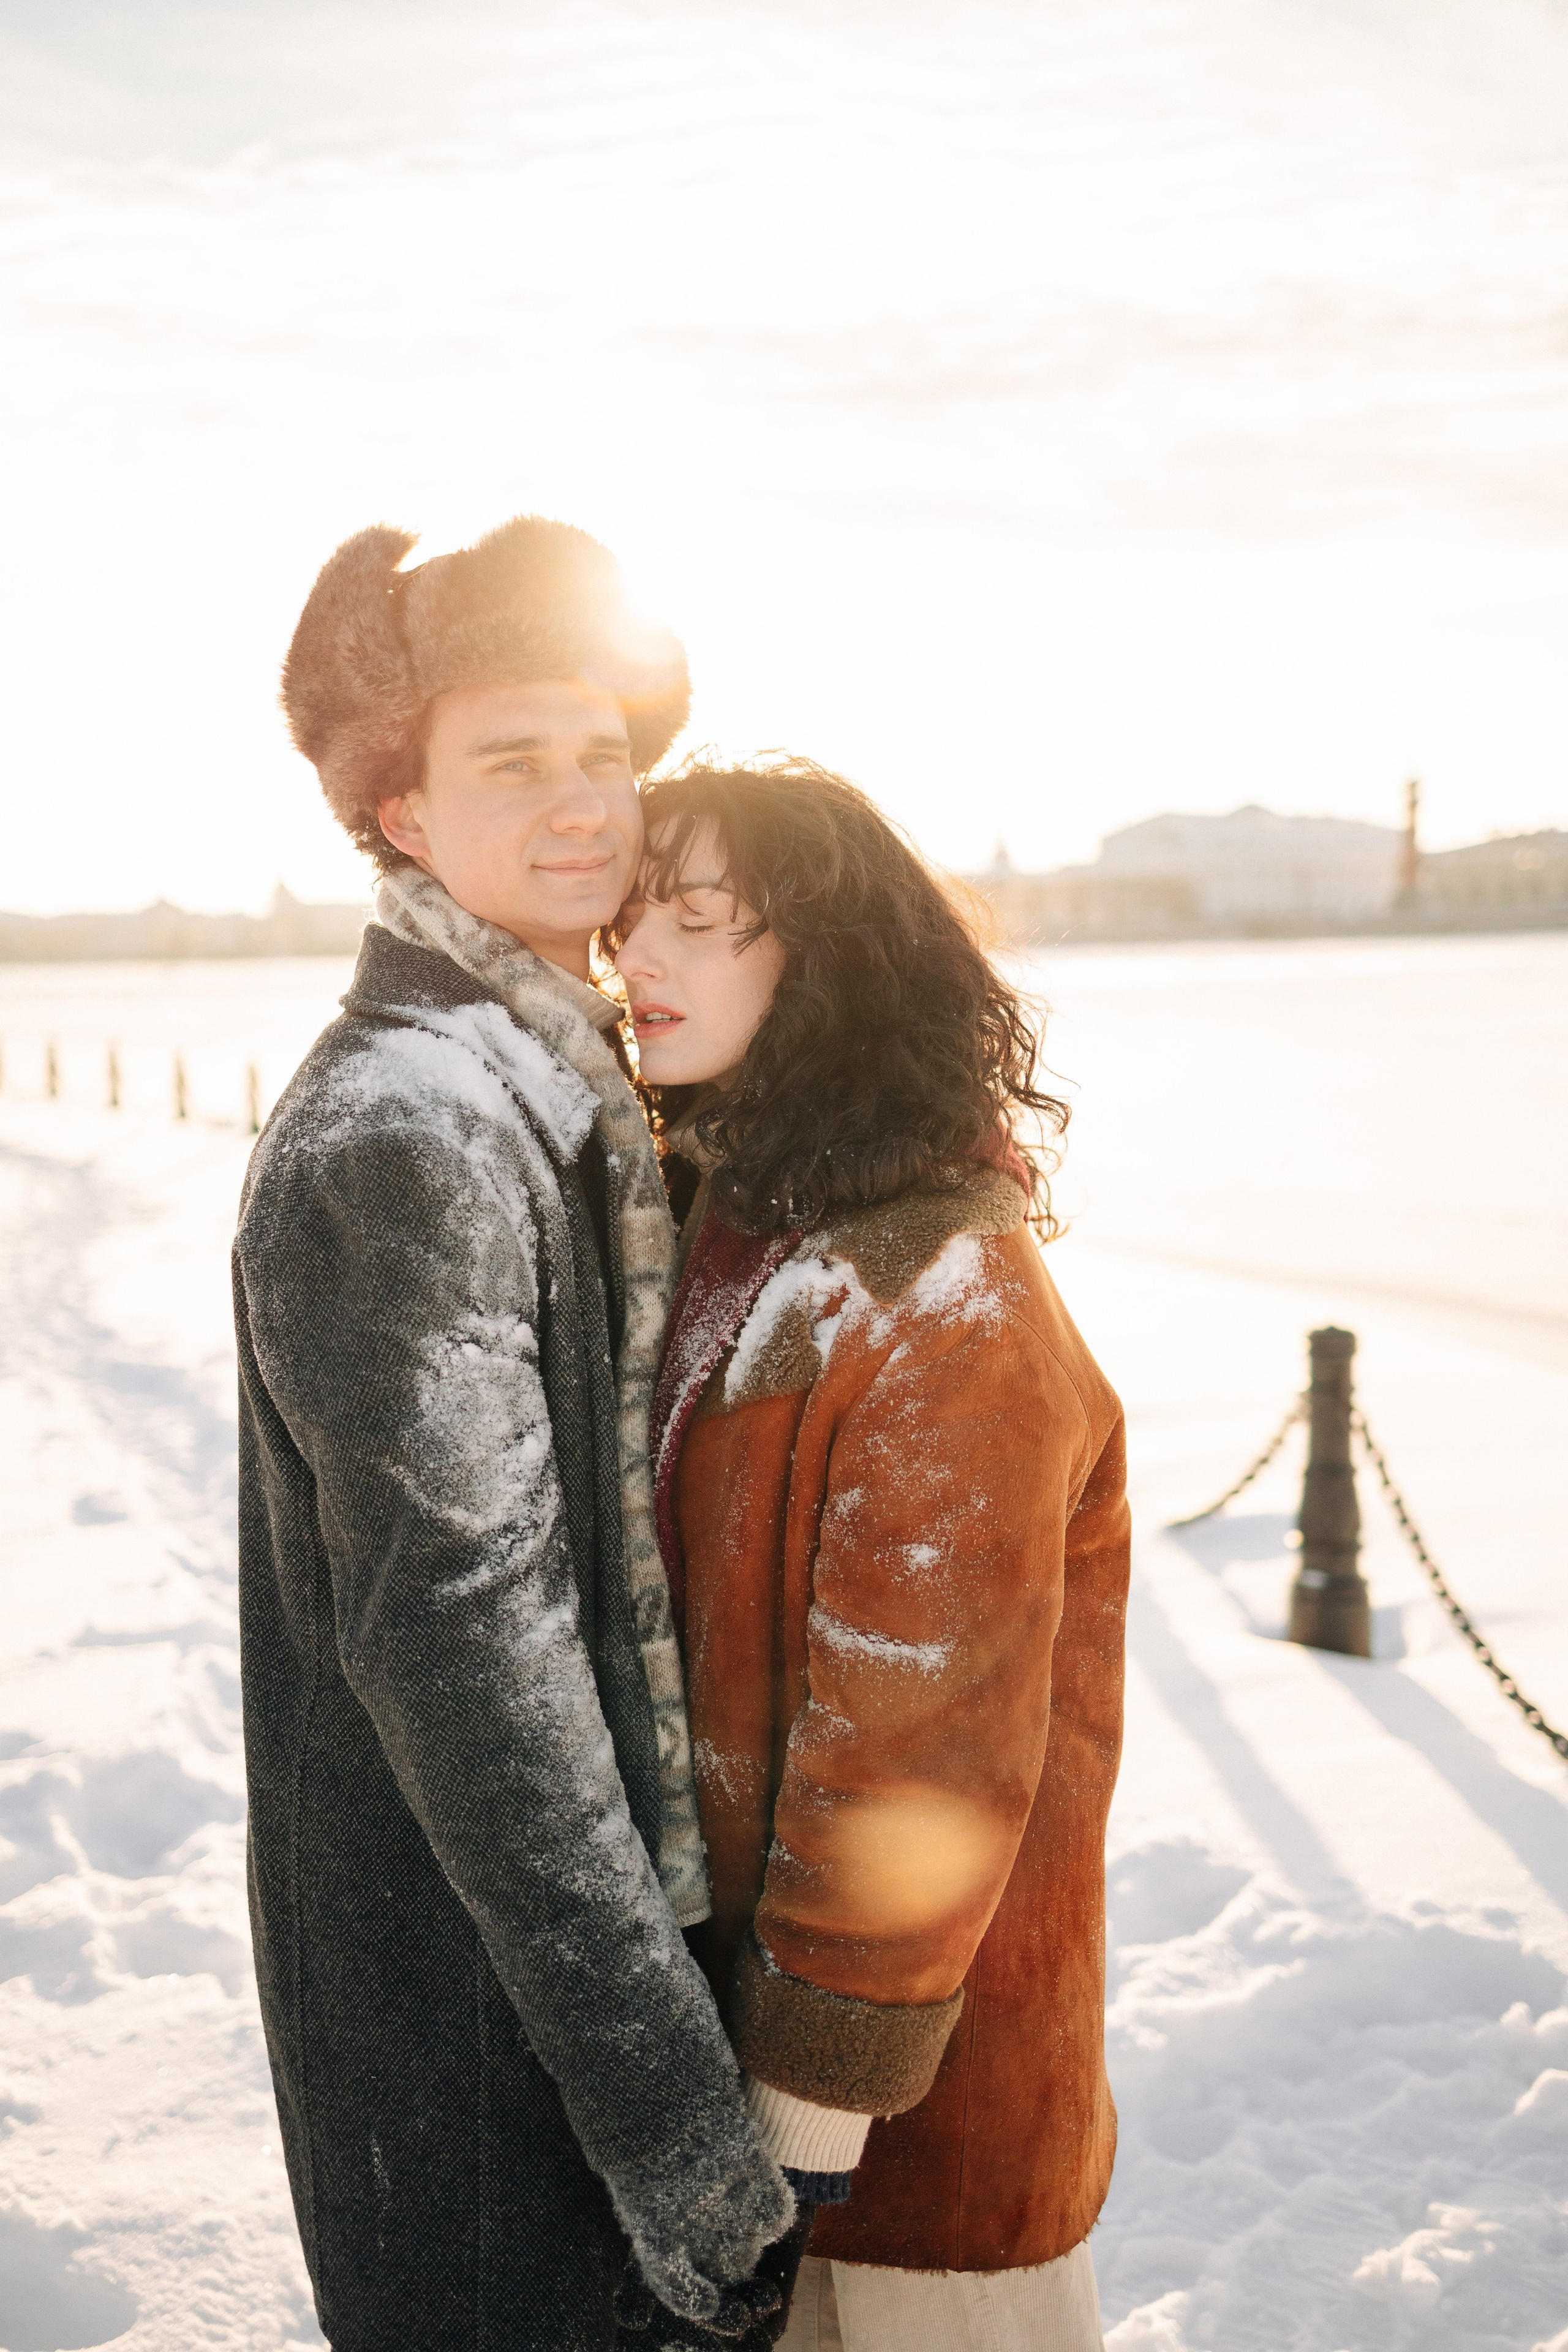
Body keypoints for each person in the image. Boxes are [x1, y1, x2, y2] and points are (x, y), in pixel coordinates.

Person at [234, 518, 801, 2352]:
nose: (584, 808)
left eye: (602, 756)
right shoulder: (409, 1138)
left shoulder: (546, 1080)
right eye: (510, 763)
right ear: (400, 814)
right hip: (483, 2051)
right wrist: (672, 2128)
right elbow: (469, 1663)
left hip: (560, 2007)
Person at [612, 759, 1131, 2352]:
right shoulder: (723, 1222)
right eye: (635, 917)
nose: (642, 959)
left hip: (900, 2173)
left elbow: (919, 1761)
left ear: (826, 964)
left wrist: (792, 2150)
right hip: (723, 2101)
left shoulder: (942, 1293)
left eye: (702, 921)